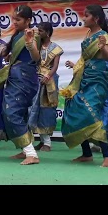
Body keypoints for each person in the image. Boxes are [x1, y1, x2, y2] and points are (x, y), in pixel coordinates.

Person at [0, 5, 41, 165]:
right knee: (19, 113)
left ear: (28, 20)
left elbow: (36, 58)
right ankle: (25, 150)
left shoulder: (31, 34)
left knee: (12, 113)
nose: (14, 22)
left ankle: (31, 153)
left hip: (24, 79)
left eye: (18, 19)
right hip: (15, 77)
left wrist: (30, 44)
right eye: (13, 19)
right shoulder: (17, 36)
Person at [60, 4, 108, 167]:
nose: (83, 18)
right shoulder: (88, 33)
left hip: (97, 80)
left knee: (90, 113)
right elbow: (85, 58)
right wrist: (75, 64)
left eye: (86, 15)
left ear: (96, 18)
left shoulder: (103, 35)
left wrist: (103, 45)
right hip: (84, 77)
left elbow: (106, 57)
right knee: (74, 108)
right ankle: (86, 153)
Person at [29, 21, 63, 152]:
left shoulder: (56, 48)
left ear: (48, 33)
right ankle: (41, 141)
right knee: (33, 109)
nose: (38, 33)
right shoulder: (35, 46)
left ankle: (48, 143)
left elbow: (55, 66)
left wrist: (47, 76)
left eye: (41, 31)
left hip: (49, 82)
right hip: (35, 80)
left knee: (46, 110)